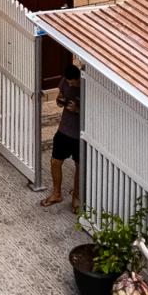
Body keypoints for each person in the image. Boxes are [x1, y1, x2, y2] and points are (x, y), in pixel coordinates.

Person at [40, 63, 82, 212]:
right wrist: (60, 100)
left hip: (79, 136)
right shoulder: (65, 81)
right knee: (55, 162)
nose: (70, 84)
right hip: (64, 130)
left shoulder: (87, 87)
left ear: (79, 78)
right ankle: (56, 193)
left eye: (73, 82)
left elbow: (95, 110)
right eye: (68, 81)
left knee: (79, 166)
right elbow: (60, 96)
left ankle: (76, 197)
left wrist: (77, 109)